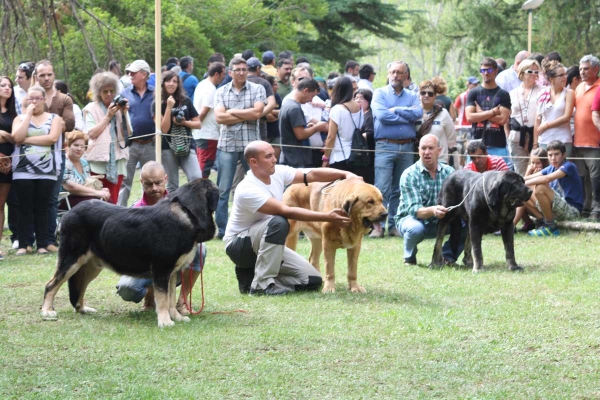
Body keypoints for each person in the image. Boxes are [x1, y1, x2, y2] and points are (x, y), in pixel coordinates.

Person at [223, 140, 354, 295]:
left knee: (312, 280)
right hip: (240, 246)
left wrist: (345, 174)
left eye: (274, 154)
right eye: (268, 156)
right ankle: (261, 286)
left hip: (264, 242)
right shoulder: (247, 188)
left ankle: (251, 279)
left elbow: (311, 174)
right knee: (279, 221)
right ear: (253, 162)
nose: (274, 159)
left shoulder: (277, 172)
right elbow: (286, 211)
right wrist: (327, 216)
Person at [115, 161, 206, 315]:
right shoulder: (135, 210)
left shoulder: (180, 205)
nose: (154, 188)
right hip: (144, 265)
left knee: (200, 250)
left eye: (158, 183)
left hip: (172, 265)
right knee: (128, 289)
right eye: (149, 184)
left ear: (165, 179)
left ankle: (181, 302)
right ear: (141, 182)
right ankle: (150, 297)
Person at [214, 57, 267, 239]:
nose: (241, 72)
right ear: (230, 72)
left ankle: (260, 224)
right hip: (227, 144)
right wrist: (247, 113)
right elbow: (219, 118)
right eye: (237, 69)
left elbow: (258, 113)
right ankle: (223, 230)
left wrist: (231, 112)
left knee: (258, 186)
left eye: (244, 69)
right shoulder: (221, 92)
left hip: (252, 147)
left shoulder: (257, 89)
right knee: (223, 190)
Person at [371, 61, 422, 238]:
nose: (395, 75)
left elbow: (418, 114)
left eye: (399, 72)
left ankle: (394, 225)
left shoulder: (412, 95)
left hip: (407, 145)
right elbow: (382, 116)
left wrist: (397, 109)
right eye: (392, 71)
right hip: (385, 144)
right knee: (381, 188)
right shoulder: (380, 93)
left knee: (400, 188)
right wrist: (406, 116)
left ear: (406, 76)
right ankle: (377, 227)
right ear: (388, 74)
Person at [395, 134, 464, 265]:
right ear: (418, 150)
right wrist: (433, 210)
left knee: (467, 223)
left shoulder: (450, 172)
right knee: (415, 229)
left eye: (431, 148)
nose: (427, 152)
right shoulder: (409, 174)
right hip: (412, 219)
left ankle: (447, 257)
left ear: (439, 150)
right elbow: (414, 210)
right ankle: (409, 257)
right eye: (423, 148)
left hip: (442, 220)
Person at [11, 85, 63, 255]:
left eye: (37, 98)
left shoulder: (54, 118)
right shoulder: (19, 118)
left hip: (46, 171)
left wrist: (26, 140)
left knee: (42, 207)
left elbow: (52, 138)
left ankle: (42, 244)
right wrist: (28, 115)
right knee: (24, 207)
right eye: (30, 99)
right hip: (22, 170)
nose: (34, 102)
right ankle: (24, 244)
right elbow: (16, 138)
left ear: (44, 100)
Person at [35, 60, 75, 252]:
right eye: (42, 75)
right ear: (36, 77)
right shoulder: (32, 98)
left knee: (52, 198)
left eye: (49, 74)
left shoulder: (64, 99)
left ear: (54, 74)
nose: (46, 78)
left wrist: (43, 124)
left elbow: (70, 123)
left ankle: (50, 240)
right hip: (31, 156)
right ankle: (32, 240)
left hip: (57, 155)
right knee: (33, 198)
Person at [84, 71, 132, 204]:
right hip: (98, 162)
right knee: (97, 201)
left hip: (118, 160)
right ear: (99, 92)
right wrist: (108, 116)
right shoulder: (91, 109)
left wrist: (123, 113)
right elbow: (92, 134)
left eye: (112, 91)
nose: (109, 94)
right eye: (105, 91)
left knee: (114, 199)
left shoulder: (120, 107)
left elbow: (128, 132)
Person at [522, 140, 583, 236]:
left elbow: (546, 178)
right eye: (550, 155)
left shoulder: (568, 166)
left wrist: (522, 184)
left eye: (556, 154)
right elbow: (527, 178)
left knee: (540, 187)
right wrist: (516, 181)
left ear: (564, 155)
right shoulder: (550, 168)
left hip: (571, 210)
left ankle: (551, 227)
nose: (553, 158)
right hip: (557, 209)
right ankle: (542, 222)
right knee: (522, 193)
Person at [118, 59, 156, 207]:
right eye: (129, 72)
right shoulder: (124, 93)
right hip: (131, 144)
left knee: (151, 181)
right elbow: (119, 119)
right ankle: (119, 215)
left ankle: (151, 213)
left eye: (133, 72)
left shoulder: (155, 93)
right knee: (125, 182)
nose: (130, 74)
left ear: (144, 74)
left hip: (151, 144)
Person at [157, 70, 202, 193]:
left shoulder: (185, 100)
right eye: (168, 81)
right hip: (168, 146)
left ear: (178, 84)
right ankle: (171, 211)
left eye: (175, 81)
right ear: (163, 83)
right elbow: (164, 129)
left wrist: (184, 122)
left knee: (196, 178)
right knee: (172, 184)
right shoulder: (157, 104)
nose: (171, 84)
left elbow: (198, 124)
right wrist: (169, 107)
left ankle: (191, 205)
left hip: (187, 144)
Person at [465, 57, 512, 169]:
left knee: (500, 180)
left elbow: (502, 120)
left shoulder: (503, 94)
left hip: (497, 145)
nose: (486, 73)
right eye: (483, 70)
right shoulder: (473, 93)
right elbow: (470, 117)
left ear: (495, 71)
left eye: (489, 70)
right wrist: (492, 112)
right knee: (472, 178)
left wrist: (481, 113)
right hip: (476, 143)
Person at [506, 58, 544, 175]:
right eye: (530, 71)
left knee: (537, 171)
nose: (534, 74)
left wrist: (535, 143)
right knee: (521, 173)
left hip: (536, 137)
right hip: (516, 138)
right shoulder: (512, 93)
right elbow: (507, 118)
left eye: (536, 72)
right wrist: (508, 136)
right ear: (521, 73)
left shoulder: (543, 91)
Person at [279, 78, 327, 167]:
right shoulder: (295, 108)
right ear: (306, 91)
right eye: (312, 96)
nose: (311, 100)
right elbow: (300, 135)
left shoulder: (288, 104)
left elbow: (293, 130)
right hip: (295, 158)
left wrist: (309, 128)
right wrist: (317, 127)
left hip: (289, 156)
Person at [322, 76, 364, 173]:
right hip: (356, 155)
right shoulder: (359, 108)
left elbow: (331, 137)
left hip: (339, 156)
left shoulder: (336, 109)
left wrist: (325, 158)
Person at [533, 60, 574, 156]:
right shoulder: (541, 93)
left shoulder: (569, 93)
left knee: (563, 169)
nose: (565, 78)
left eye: (565, 74)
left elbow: (566, 117)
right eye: (561, 75)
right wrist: (535, 144)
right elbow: (537, 120)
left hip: (563, 138)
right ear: (551, 79)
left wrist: (546, 125)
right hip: (544, 139)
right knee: (545, 169)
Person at [192, 62, 226, 179]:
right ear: (216, 74)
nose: (224, 77)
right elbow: (204, 111)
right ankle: (199, 189)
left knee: (201, 162)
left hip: (201, 132)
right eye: (223, 74)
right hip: (208, 133)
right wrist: (196, 124)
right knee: (204, 165)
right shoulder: (211, 89)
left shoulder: (201, 84)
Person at [61, 130, 111, 207]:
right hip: (65, 199)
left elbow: (86, 184)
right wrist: (97, 193)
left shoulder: (84, 162)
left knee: (108, 201)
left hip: (83, 196)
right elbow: (70, 187)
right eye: (76, 145)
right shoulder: (63, 162)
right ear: (68, 145)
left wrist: (100, 190)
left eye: (82, 146)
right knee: (96, 204)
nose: (79, 149)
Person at [577, 54, 600, 220]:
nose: (582, 72)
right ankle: (586, 208)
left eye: (586, 69)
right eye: (580, 69)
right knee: (583, 178)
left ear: (596, 69)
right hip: (578, 141)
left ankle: (597, 209)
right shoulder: (579, 87)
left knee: (596, 178)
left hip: (595, 142)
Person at [416, 80, 455, 164]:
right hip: (418, 161)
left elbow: (451, 138)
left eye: (430, 93)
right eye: (423, 93)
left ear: (435, 96)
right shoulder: (413, 112)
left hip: (440, 160)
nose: (426, 95)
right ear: (419, 94)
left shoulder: (443, 113)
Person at [513, 148, 549, 232]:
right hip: (534, 205)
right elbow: (522, 184)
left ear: (544, 162)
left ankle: (512, 226)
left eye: (538, 163)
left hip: (544, 205)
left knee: (523, 196)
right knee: (518, 196)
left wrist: (536, 176)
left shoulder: (546, 172)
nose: (534, 166)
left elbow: (534, 191)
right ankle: (528, 223)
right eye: (532, 163)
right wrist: (528, 172)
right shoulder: (532, 171)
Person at [0, 76, 16, 260]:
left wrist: (4, 134)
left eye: (9, 86)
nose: (7, 88)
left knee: (1, 206)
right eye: (2, 85)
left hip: (8, 165)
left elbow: (17, 137)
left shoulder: (13, 112)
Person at [353, 88, 375, 184]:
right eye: (356, 98)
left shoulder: (370, 116)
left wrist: (355, 139)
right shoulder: (357, 114)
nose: (358, 100)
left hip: (367, 155)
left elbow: (370, 133)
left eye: (361, 98)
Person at [265, 75, 282, 161]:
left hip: (276, 133)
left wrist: (270, 111)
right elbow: (267, 117)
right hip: (265, 134)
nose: (278, 86)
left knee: (274, 160)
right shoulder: (263, 96)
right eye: (276, 84)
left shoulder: (277, 96)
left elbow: (282, 112)